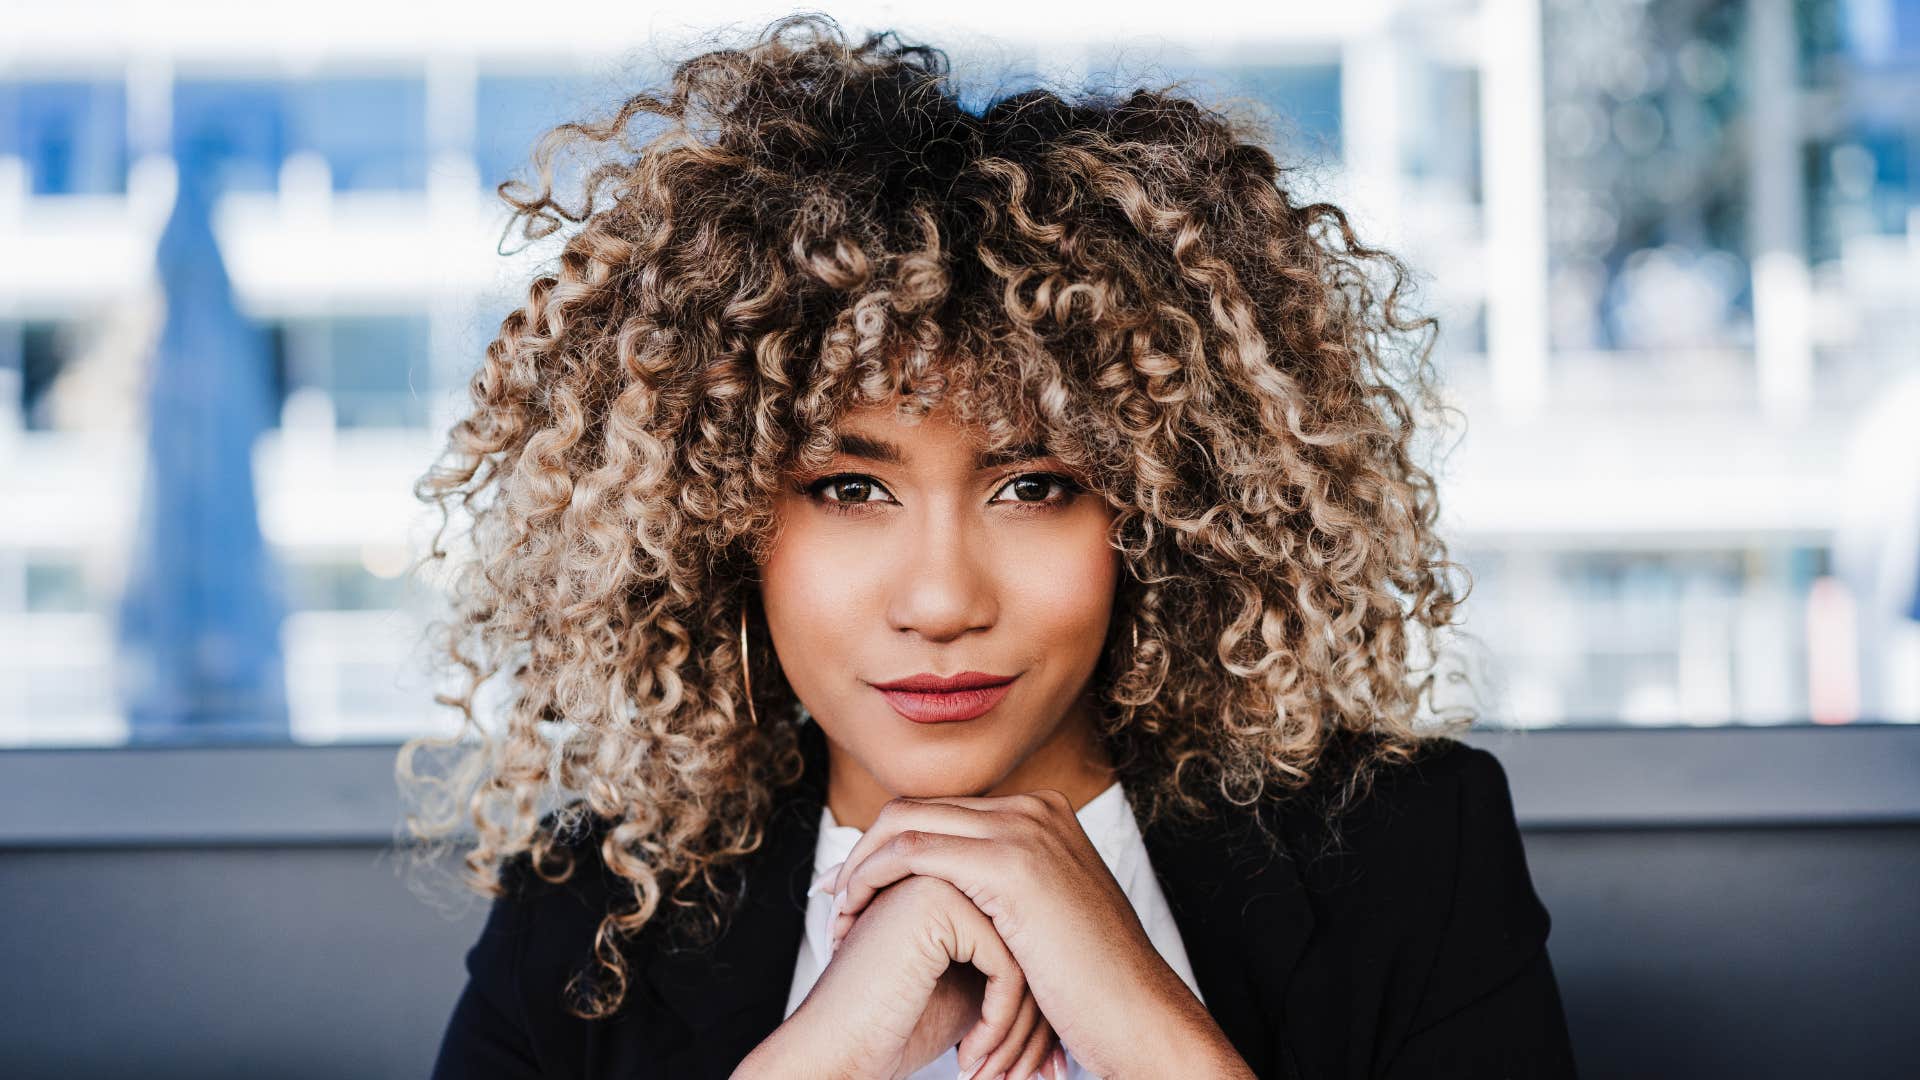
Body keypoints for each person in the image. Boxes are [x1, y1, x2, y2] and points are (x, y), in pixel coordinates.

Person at [408, 14, 1578, 1079]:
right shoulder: (589, 912)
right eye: (849, 487)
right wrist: (835, 1040)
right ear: (718, 519)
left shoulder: (1411, 854)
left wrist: (1120, 986)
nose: (939, 599)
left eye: (1033, 485)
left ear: (1159, 513)